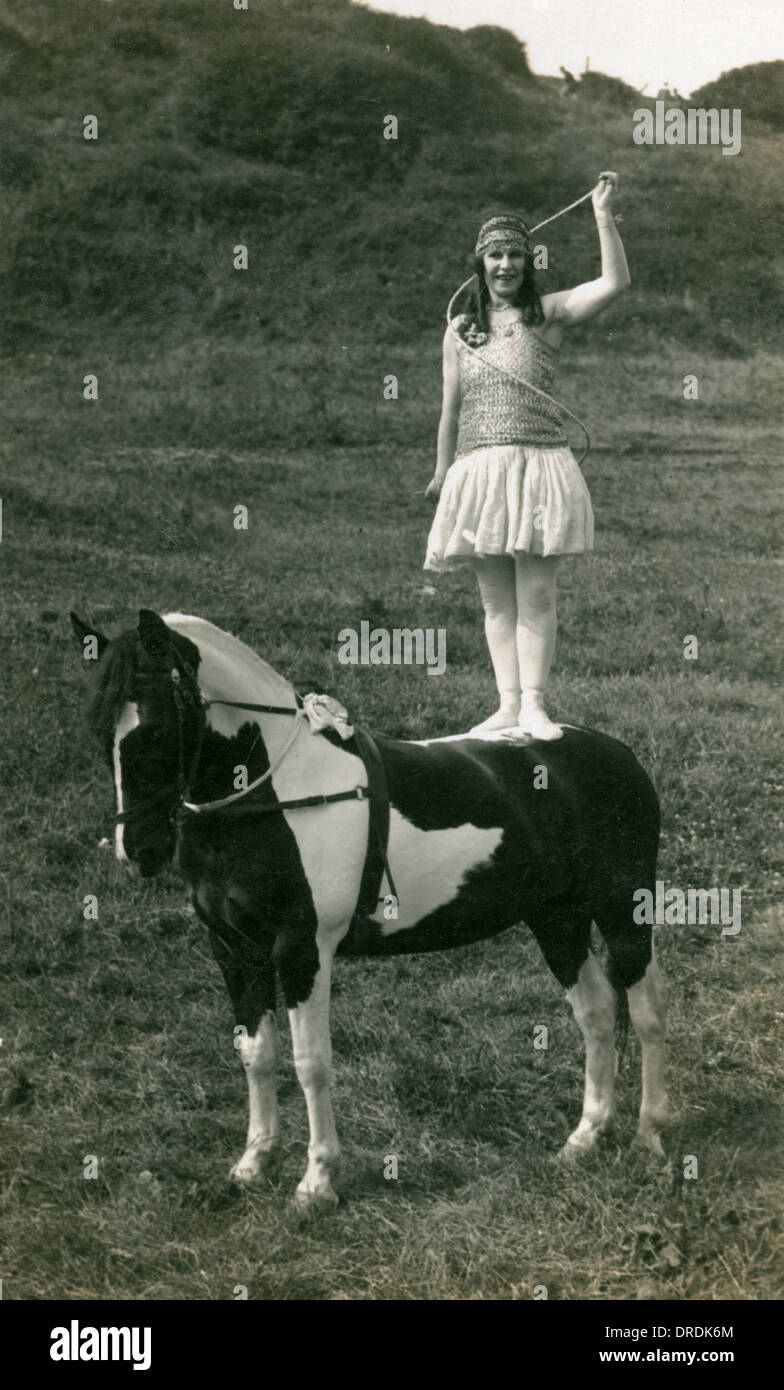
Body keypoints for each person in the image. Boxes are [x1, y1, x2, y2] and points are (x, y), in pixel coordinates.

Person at [424, 172, 630, 739]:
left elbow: (614, 283)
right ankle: (507, 704)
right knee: (495, 599)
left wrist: (603, 216)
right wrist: (443, 471)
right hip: (479, 469)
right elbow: (451, 408)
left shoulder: (549, 314)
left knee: (536, 593)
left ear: (528, 260)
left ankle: (536, 703)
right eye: (495, 255)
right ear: (480, 261)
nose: (506, 265)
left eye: (516, 254)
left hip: (537, 465)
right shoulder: (461, 329)